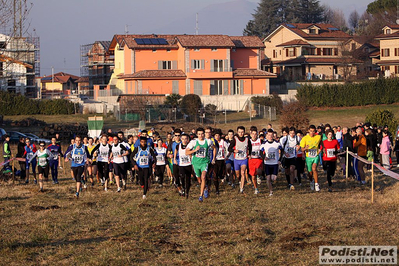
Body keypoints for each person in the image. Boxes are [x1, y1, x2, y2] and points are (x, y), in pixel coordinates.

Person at [186, 127, 216, 202]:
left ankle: (200, 196)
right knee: (199, 180)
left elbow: (214, 148)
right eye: (199, 134)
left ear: (204, 134)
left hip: (204, 162)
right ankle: (205, 187)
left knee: (203, 177)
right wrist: (195, 150)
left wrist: (213, 158)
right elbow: (186, 152)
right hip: (196, 163)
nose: (201, 135)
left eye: (202, 134)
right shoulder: (194, 142)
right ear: (197, 135)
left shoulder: (208, 141)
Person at [300, 125, 322, 192]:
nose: (312, 132)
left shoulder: (318, 137)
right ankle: (311, 181)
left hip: (316, 156)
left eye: (313, 131)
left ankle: (316, 184)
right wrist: (305, 148)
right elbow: (302, 149)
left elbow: (322, 144)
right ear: (308, 131)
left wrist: (320, 149)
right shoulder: (305, 138)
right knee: (310, 172)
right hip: (308, 157)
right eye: (311, 131)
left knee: (314, 168)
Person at [227, 126, 249, 194]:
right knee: (238, 175)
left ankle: (241, 188)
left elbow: (250, 147)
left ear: (244, 132)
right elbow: (229, 149)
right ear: (237, 132)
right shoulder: (235, 140)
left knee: (243, 172)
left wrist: (249, 154)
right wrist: (234, 150)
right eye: (239, 132)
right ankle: (239, 181)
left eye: (242, 132)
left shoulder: (247, 140)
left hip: (244, 159)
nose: (241, 133)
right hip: (236, 159)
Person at [260, 130, 281, 196]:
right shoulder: (264, 144)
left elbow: (282, 151)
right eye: (269, 135)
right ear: (266, 136)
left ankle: (272, 184)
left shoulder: (277, 143)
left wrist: (280, 159)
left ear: (273, 136)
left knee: (273, 178)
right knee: (268, 178)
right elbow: (260, 152)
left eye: (271, 135)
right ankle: (271, 191)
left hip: (275, 163)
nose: (270, 137)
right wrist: (264, 157)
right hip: (267, 163)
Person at [175, 134, 192, 198]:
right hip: (181, 164)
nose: (184, 140)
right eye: (183, 139)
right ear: (181, 139)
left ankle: (187, 191)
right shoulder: (178, 146)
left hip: (189, 164)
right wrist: (174, 159)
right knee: (181, 175)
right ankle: (183, 187)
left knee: (188, 179)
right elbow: (175, 153)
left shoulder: (190, 146)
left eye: (186, 139)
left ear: (188, 140)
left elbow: (192, 155)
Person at [248, 126, 263, 194]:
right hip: (251, 160)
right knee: (253, 176)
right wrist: (248, 155)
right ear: (250, 134)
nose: (254, 135)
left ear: (257, 134)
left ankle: (259, 176)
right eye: (252, 134)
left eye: (255, 134)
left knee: (258, 170)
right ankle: (256, 188)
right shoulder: (248, 141)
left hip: (258, 159)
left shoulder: (260, 141)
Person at [167, 129, 182, 193]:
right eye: (176, 135)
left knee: (182, 176)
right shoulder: (171, 144)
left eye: (179, 135)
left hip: (183, 162)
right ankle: (179, 189)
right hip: (175, 162)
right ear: (174, 136)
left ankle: (182, 187)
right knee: (176, 176)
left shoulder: (183, 142)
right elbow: (167, 154)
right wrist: (170, 155)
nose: (177, 137)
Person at [214, 130, 228, 194]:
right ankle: (217, 189)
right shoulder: (212, 142)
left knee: (221, 175)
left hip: (222, 160)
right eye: (216, 135)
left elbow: (227, 150)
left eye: (218, 135)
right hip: (215, 160)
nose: (217, 137)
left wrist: (226, 156)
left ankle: (223, 178)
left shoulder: (223, 142)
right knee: (215, 175)